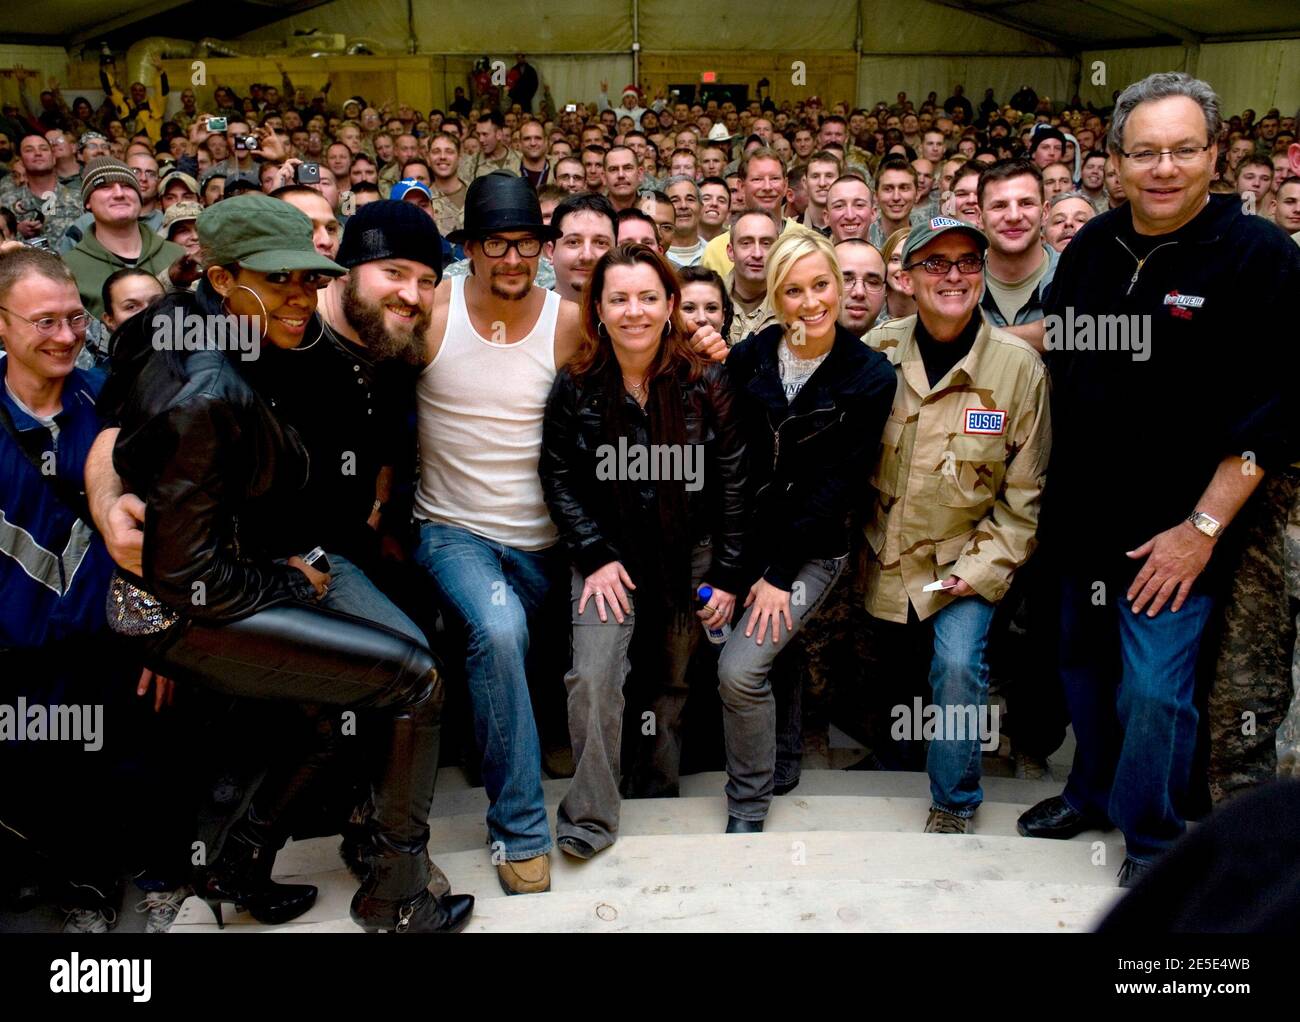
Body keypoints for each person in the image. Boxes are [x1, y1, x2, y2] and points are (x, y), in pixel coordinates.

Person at [87, 193, 474, 933]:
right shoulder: (206, 382)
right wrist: (288, 576)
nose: (301, 295)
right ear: (226, 277)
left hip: (227, 574)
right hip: (190, 600)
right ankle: (397, 896)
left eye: (308, 277)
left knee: (332, 713)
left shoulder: (226, 327)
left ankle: (235, 869)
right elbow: (185, 562)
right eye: (280, 280)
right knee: (414, 683)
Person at [1017, 72, 1299, 888]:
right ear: (1113, 161)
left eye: (1183, 150)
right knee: (1084, 671)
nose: (1164, 168)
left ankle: (1155, 840)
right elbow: (1060, 341)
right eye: (1145, 152)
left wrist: (1199, 532)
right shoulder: (1093, 249)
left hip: (1175, 531)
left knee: (1154, 693)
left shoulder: (1260, 259)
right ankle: (1093, 792)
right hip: (1081, 521)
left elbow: (1272, 424)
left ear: (1216, 155)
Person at [539, 243, 746, 857]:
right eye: (619, 299)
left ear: (671, 306)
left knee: (671, 682)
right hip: (606, 558)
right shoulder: (576, 385)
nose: (634, 311)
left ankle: (656, 790)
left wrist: (729, 575)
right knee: (595, 676)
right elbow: (558, 475)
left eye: (648, 297)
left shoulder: (706, 379)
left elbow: (735, 481)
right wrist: (594, 554)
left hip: (693, 553)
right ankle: (591, 816)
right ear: (597, 310)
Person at [863, 216, 1049, 833]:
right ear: (908, 278)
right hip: (883, 555)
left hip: (966, 558)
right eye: (935, 263)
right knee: (891, 672)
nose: (953, 276)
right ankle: (892, 764)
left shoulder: (1018, 368)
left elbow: (1024, 497)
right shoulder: (878, 352)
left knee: (959, 665)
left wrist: (977, 572)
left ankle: (954, 800)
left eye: (968, 262)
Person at [718, 229, 895, 831]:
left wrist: (774, 575)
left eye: (823, 284)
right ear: (775, 296)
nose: (812, 302)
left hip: (812, 549)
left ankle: (748, 800)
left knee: (740, 670)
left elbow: (835, 489)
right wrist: (733, 563)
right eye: (794, 290)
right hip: (749, 540)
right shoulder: (753, 356)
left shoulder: (868, 375)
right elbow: (732, 461)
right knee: (776, 655)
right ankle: (782, 762)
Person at [62, 158, 186, 322]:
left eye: (127, 186)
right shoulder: (68, 269)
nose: (119, 194)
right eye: (105, 187)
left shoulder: (176, 254)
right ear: (87, 203)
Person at [977, 159, 1058, 336]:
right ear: (979, 216)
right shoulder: (958, 281)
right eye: (999, 205)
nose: (1013, 216)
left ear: (1044, 213)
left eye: (1026, 203)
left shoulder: (1078, 276)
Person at [0, 133, 82, 246]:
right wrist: (17, 232)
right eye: (29, 150)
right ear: (21, 161)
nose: (38, 153)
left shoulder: (78, 198)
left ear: (53, 158)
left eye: (43, 149)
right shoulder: (6, 203)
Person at [547, 192, 616, 300]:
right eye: (573, 242)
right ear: (551, 252)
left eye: (601, 243)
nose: (587, 256)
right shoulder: (523, 314)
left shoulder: (634, 314)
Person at [834, 237, 887, 335]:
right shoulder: (800, 340)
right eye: (846, 280)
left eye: (872, 282)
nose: (859, 292)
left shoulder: (901, 346)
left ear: (886, 291)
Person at [868, 156, 917, 247]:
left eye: (904, 188)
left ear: (916, 195)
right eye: (888, 189)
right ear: (876, 196)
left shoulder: (925, 238)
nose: (896, 197)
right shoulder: (863, 237)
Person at [663, 175, 706, 266]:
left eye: (690, 199)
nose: (683, 206)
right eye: (675, 200)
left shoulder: (716, 253)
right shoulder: (654, 254)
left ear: (701, 208)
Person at [877, 226, 915, 324]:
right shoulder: (872, 307)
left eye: (909, 260)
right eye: (895, 259)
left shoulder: (934, 310)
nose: (901, 268)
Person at [825, 175, 874, 242]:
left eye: (859, 205)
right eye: (839, 206)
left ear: (873, 214)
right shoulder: (813, 252)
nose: (850, 216)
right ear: (826, 217)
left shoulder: (888, 252)